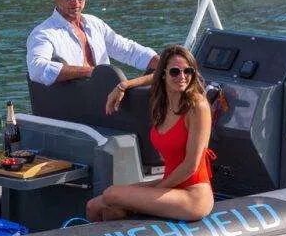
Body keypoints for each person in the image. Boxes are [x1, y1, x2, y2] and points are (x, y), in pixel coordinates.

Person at [86, 45, 215, 222]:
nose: (182, 76)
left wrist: (156, 190)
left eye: (188, 71)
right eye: (175, 72)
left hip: (193, 195)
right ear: (163, 75)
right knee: (94, 205)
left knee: (111, 194)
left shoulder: (197, 106)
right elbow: (154, 77)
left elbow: (190, 166)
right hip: (171, 183)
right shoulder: (164, 105)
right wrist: (124, 85)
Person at [26, 0, 158, 86]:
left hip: (108, 96)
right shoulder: (43, 33)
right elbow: (37, 69)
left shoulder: (94, 24)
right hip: (75, 100)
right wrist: (92, 72)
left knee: (160, 77)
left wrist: (162, 62)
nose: (75, 1)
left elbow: (127, 50)